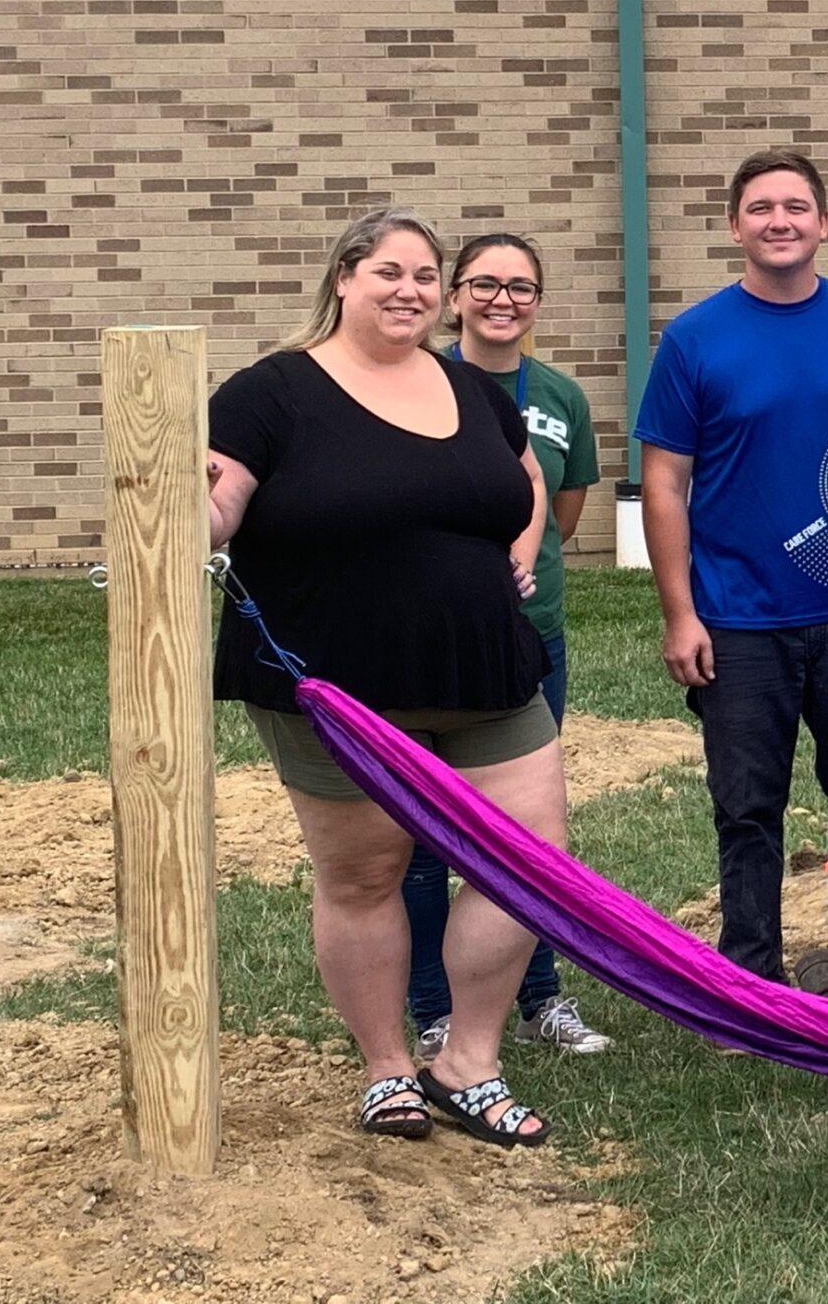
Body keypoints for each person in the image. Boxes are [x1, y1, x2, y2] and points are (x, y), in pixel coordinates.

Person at [205, 206, 564, 1146]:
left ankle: (468, 1062)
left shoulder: (472, 390)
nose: (409, 291)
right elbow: (217, 503)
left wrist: (518, 549)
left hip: (486, 665)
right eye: (387, 273)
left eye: (423, 277)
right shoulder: (270, 393)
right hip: (335, 680)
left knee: (531, 861)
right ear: (343, 279)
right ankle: (386, 1067)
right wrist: (181, 505)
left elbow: (520, 479)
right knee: (366, 873)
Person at [634, 151, 828, 985]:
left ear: (824, 223)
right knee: (748, 809)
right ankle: (751, 976)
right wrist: (681, 614)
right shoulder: (696, 340)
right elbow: (665, 482)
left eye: (794, 206)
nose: (777, 220)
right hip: (738, 619)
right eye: (759, 208)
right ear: (733, 227)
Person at [405, 232, 613, 1061]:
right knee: (419, 834)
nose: (503, 300)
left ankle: (541, 998)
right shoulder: (416, 385)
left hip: (533, 638)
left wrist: (518, 566)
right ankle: (430, 1004)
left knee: (528, 837)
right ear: (455, 296)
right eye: (485, 284)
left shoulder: (559, 395)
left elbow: (559, 513)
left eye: (521, 287)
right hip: (426, 644)